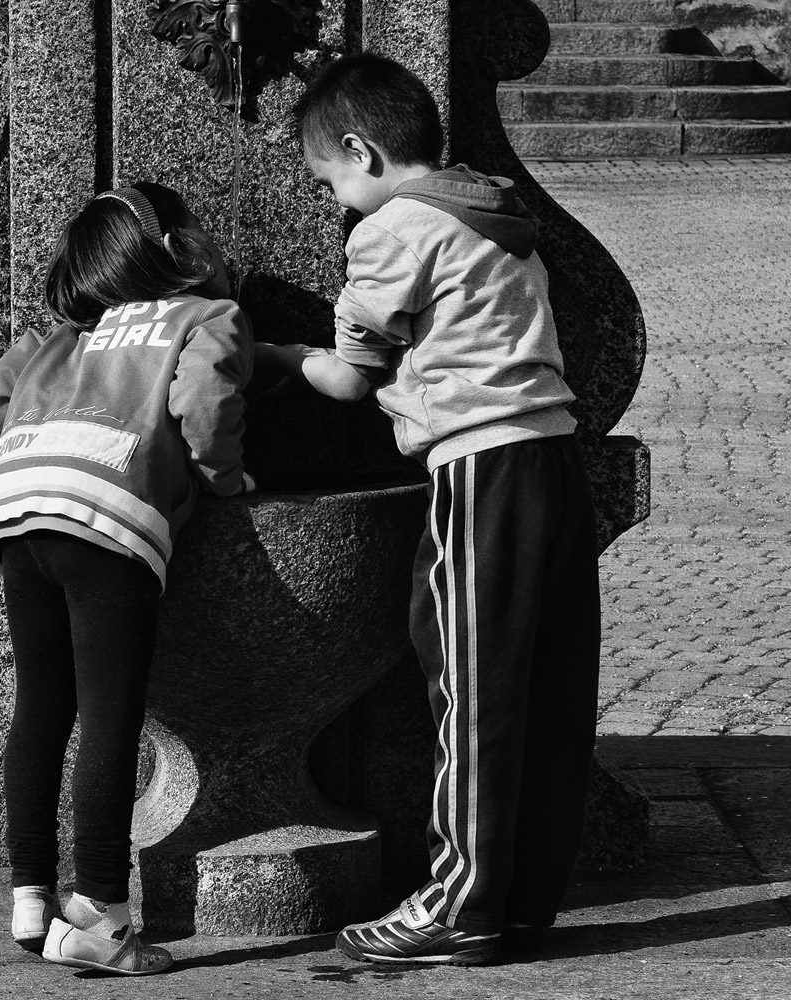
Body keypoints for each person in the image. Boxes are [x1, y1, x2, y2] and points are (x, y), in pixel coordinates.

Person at [257, 53, 601, 966]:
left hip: (480, 465)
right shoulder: (492, 213)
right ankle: (519, 901)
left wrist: (270, 354)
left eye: (329, 179)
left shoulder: (393, 231)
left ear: (362, 152)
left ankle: (455, 903)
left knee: (471, 688)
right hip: (554, 459)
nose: (335, 202)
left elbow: (342, 377)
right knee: (547, 690)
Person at [0, 182, 255, 976]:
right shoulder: (204, 316)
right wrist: (222, 479)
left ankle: (30, 893)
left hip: (14, 511)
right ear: (179, 252)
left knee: (42, 705)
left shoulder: (59, 334)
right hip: (107, 515)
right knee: (110, 716)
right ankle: (99, 915)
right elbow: (204, 401)